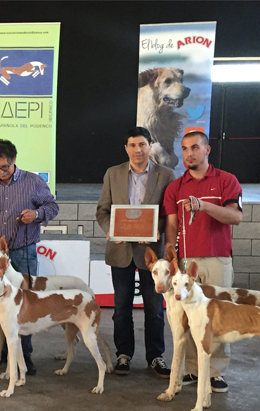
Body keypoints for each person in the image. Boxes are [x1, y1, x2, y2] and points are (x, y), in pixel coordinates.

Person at [163, 130, 243, 393]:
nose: (189, 154)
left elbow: (236, 217)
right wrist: (170, 248)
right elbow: (172, 224)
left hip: (218, 258)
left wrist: (205, 206)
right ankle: (192, 368)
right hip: (186, 262)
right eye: (185, 149)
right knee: (188, 315)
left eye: (195, 148)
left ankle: (215, 372)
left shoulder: (226, 180)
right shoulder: (175, 187)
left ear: (207, 150)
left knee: (217, 315)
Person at [0, 139, 59, 376]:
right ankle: (4, 352)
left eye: (4, 167)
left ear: (14, 161)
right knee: (0, 302)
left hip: (23, 250)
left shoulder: (33, 182)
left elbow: (52, 207)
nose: (0, 173)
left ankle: (25, 354)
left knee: (26, 302)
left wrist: (37, 214)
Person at [96, 127, 175, 377]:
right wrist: (110, 230)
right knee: (121, 308)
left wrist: (155, 230)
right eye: (132, 145)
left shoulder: (166, 175)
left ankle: (156, 356)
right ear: (126, 148)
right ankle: (124, 354)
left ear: (150, 146)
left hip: (152, 254)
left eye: (142, 144)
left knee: (155, 309)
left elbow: (169, 213)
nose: (137, 150)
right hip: (120, 251)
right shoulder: (113, 173)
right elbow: (102, 210)